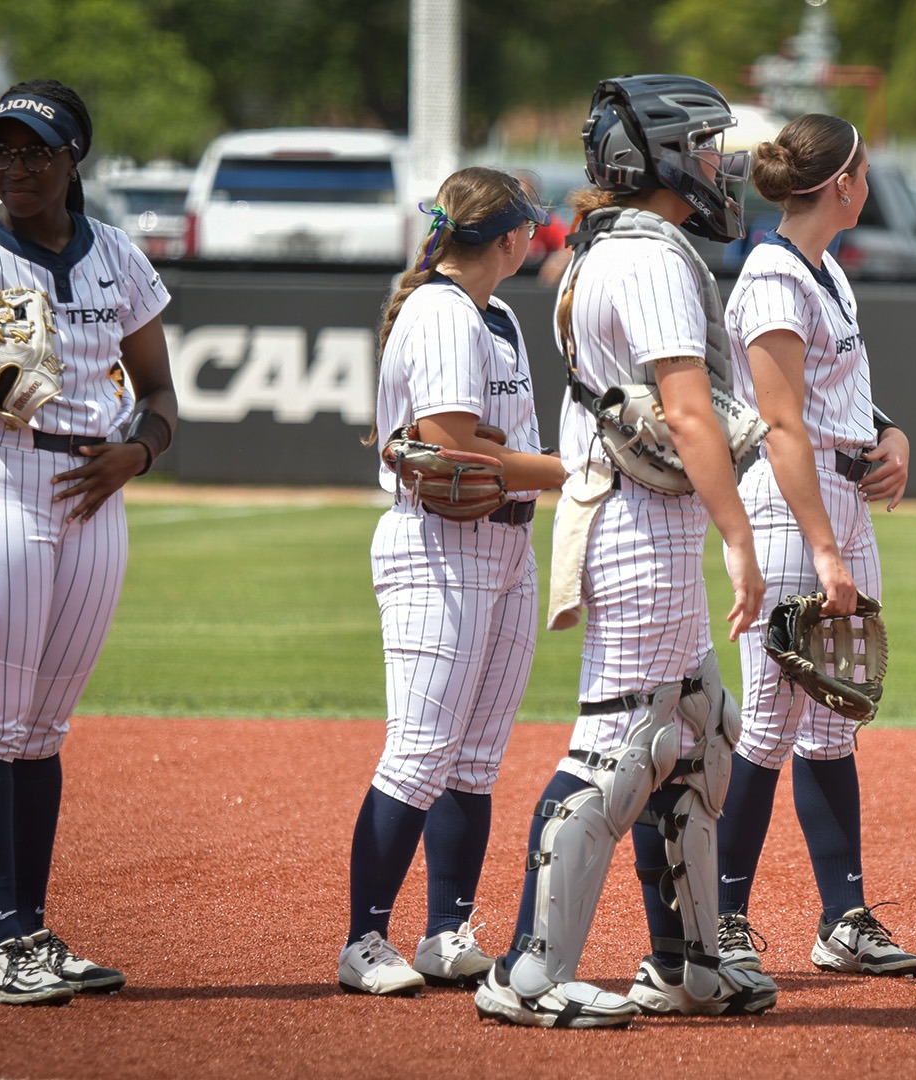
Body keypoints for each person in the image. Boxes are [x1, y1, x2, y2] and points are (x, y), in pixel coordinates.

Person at [471, 74, 778, 1028]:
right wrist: (741, 537)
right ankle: (527, 972)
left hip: (644, 518)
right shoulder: (646, 257)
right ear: (661, 155)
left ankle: (685, 967)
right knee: (625, 744)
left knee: (695, 736)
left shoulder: (622, 246)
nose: (722, 163)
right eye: (709, 145)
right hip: (639, 525)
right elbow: (687, 412)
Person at [0, 80, 178, 1006]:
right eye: (1, 151)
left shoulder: (120, 257)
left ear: (72, 162)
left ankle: (33, 935)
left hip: (93, 492)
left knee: (41, 732)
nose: (13, 167)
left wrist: (135, 452)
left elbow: (163, 399)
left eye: (33, 152)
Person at [337, 167, 563, 997]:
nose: (536, 236)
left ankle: (445, 931)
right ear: (508, 237)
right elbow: (456, 450)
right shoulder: (439, 310)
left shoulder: (496, 313)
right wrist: (570, 470)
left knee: (474, 760)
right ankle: (364, 940)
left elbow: (499, 452)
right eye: (529, 226)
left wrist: (530, 469)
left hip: (505, 547)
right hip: (439, 545)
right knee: (420, 754)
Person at [711, 113, 916, 979]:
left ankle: (843, 918)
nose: (869, 182)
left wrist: (893, 435)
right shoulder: (770, 277)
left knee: (834, 726)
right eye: (864, 170)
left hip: (841, 495)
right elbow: (784, 423)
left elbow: (836, 403)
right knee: (766, 728)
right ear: (839, 183)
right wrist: (826, 553)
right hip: (795, 508)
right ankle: (719, 922)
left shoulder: (825, 269)